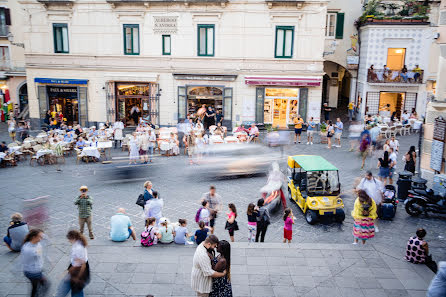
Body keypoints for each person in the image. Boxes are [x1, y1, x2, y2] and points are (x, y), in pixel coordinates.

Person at [55, 230, 90, 297]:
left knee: (74, 288)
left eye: (69, 239)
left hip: (78, 270)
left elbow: (83, 265)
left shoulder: (78, 248)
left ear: (73, 238)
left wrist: (78, 276)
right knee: (76, 288)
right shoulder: (78, 244)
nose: (69, 241)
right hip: (76, 268)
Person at [21, 229, 49, 297]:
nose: (41, 238)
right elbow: (35, 257)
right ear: (34, 237)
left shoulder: (35, 243)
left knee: (38, 286)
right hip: (33, 272)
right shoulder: (29, 249)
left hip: (34, 270)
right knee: (41, 286)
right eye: (40, 237)